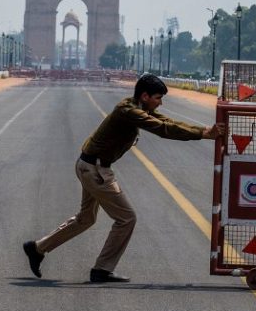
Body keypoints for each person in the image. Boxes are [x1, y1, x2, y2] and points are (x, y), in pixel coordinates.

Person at [23, 74, 224, 282]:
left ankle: (37, 248)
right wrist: (204, 134)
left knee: (86, 219)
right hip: (96, 170)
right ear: (145, 96)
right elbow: (163, 129)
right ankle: (101, 270)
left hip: (90, 166)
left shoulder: (139, 108)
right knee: (127, 218)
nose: (160, 102)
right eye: (157, 98)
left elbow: (167, 121)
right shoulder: (128, 111)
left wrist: (203, 131)